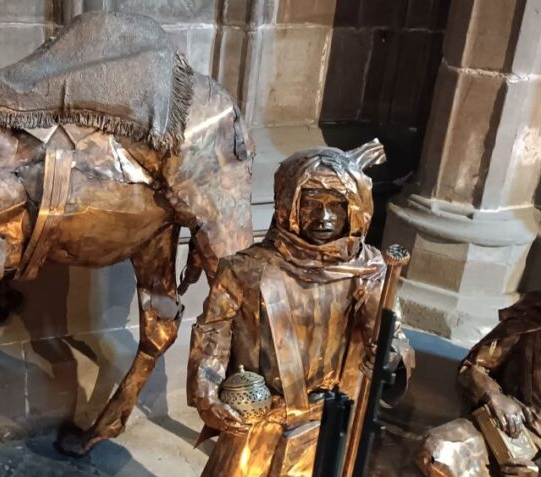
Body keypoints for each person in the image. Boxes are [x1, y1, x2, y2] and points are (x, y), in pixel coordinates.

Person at [187, 141, 413, 477]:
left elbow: (394, 338)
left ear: (354, 209)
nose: (324, 217)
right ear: (288, 205)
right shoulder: (246, 270)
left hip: (333, 421)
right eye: (311, 204)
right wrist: (207, 392)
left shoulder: (370, 271)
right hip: (263, 419)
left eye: (335, 205)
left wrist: (389, 356)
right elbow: (212, 335)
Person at [418, 292, 541, 477]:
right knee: (438, 452)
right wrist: (492, 394)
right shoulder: (531, 318)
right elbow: (472, 368)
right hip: (505, 430)